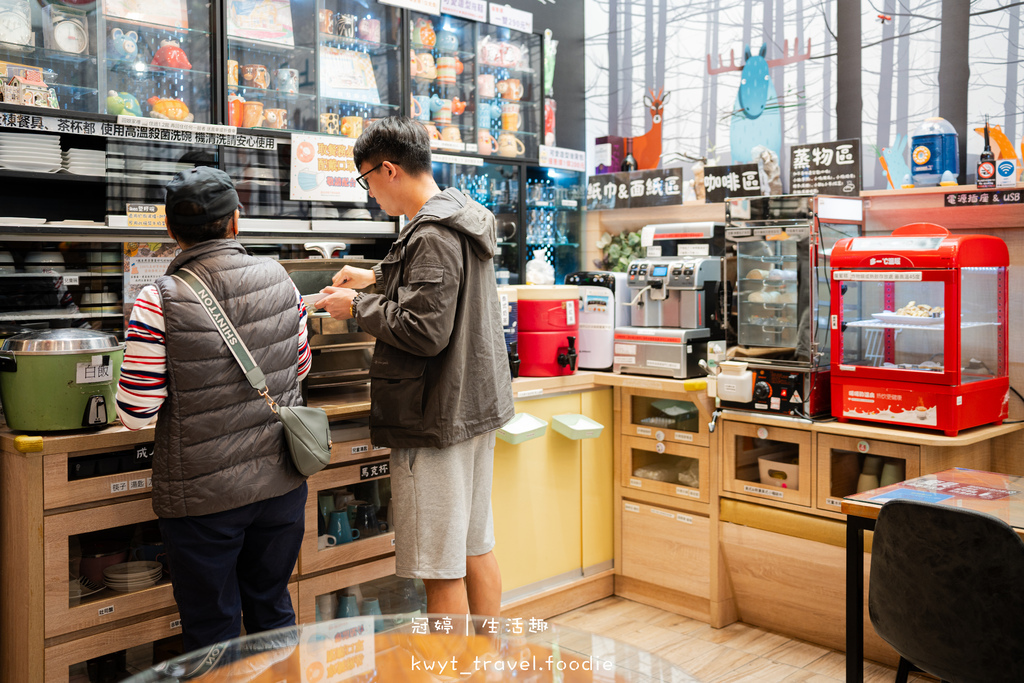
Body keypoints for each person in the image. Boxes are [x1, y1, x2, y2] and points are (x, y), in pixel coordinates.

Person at [315, 117, 514, 616]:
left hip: (435, 416)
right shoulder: (463, 215)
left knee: (439, 569)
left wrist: (356, 308)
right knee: (474, 547)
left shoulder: (430, 232)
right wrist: (378, 276)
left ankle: (452, 675)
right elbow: (438, 289)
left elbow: (425, 330)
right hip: (473, 407)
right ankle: (485, 670)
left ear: (389, 169)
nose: (370, 194)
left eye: (367, 180)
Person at [115, 166, 312, 651]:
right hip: (282, 485)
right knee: (272, 608)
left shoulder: (157, 299)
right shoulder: (283, 281)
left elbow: (135, 412)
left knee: (212, 631)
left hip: (202, 499)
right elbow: (299, 367)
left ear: (170, 232)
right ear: (235, 223)